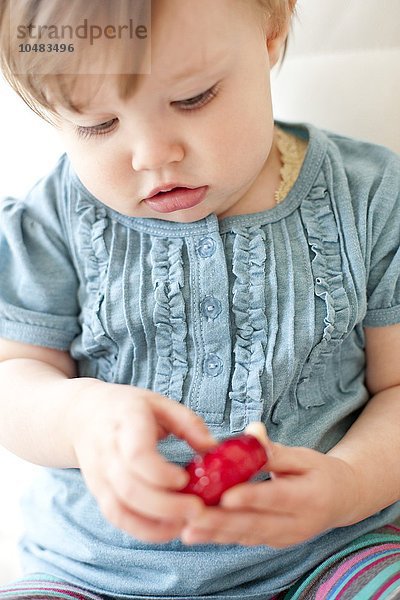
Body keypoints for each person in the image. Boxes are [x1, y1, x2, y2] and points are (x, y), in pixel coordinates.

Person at [0, 0, 399, 598]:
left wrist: (348, 484)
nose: (152, 155)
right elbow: (15, 375)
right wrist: (81, 416)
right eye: (97, 124)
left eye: (192, 98)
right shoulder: (52, 218)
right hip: (94, 570)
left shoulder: (370, 197)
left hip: (328, 555)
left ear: (269, 33)